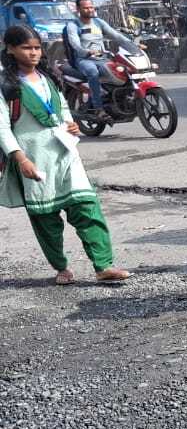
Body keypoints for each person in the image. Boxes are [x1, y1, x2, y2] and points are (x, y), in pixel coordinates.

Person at [0, 24, 129, 284]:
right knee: (45, 218)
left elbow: (63, 109)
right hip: (34, 157)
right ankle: (61, 268)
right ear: (11, 49)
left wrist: (71, 125)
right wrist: (20, 158)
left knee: (87, 207)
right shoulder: (6, 85)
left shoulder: (49, 76)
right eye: (26, 48)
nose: (33, 53)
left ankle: (103, 265)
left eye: (37, 48)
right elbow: (2, 126)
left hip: (66, 153)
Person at [64, 0, 141, 120]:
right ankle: (98, 109)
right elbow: (74, 43)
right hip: (84, 59)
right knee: (92, 72)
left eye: (91, 7)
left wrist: (132, 44)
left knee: (122, 70)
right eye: (86, 8)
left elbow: (116, 35)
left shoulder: (98, 22)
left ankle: (119, 98)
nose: (89, 10)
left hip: (102, 58)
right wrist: (86, 51)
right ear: (78, 9)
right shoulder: (73, 25)